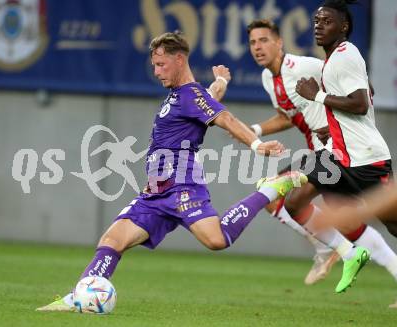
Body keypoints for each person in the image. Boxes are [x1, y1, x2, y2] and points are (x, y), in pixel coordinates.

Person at [37, 31, 310, 312]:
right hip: (156, 191)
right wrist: (220, 82)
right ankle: (79, 297)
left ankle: (270, 188)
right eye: (154, 65)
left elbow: (224, 117)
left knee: (217, 240)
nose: (156, 72)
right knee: (112, 240)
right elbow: (208, 99)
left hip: (182, 185)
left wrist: (256, 145)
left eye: (161, 64)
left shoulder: (189, 94)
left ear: (179, 60)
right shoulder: (185, 95)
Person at [246, 19, 397, 288]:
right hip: (325, 153)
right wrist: (254, 130)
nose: (258, 47)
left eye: (264, 40)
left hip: (341, 149)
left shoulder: (304, 67)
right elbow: (287, 116)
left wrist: (338, 123)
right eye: (253, 42)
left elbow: (363, 90)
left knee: (279, 194)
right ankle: (339, 250)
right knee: (348, 222)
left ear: (279, 43)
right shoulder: (269, 78)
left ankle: (330, 250)